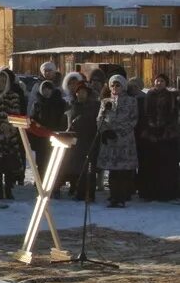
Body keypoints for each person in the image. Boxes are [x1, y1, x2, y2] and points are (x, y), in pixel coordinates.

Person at [97, 75, 139, 208]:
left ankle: (122, 196)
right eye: (113, 85)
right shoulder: (105, 101)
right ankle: (113, 195)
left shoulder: (131, 101)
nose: (115, 88)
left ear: (123, 86)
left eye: (118, 85)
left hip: (125, 140)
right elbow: (100, 118)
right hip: (111, 140)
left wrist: (120, 131)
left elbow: (134, 119)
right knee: (113, 170)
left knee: (123, 170)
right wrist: (104, 131)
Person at [139, 75, 179, 202]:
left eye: (162, 81)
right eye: (157, 80)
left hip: (167, 135)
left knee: (166, 165)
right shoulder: (148, 95)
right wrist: (149, 131)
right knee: (151, 164)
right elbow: (144, 115)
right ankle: (150, 192)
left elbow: (174, 115)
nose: (159, 82)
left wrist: (166, 131)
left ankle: (167, 193)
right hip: (150, 135)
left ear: (165, 83)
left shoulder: (171, 96)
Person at [0, 70, 23, 200]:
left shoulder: (14, 96)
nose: (1, 84)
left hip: (10, 135)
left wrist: (10, 128)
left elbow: (16, 113)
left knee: (9, 165)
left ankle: (8, 189)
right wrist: (0, 125)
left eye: (3, 81)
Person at [65, 82, 100, 201]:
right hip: (76, 141)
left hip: (90, 140)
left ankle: (90, 194)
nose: (81, 94)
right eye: (79, 92)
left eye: (84, 92)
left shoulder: (94, 106)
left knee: (90, 169)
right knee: (77, 168)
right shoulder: (72, 106)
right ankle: (78, 191)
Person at [29, 80, 68, 187]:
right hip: (41, 138)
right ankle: (40, 182)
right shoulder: (37, 103)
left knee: (55, 161)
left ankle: (55, 185)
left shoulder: (60, 102)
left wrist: (59, 131)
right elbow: (32, 119)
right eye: (44, 89)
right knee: (41, 162)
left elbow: (63, 118)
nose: (46, 92)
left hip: (55, 136)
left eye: (48, 89)